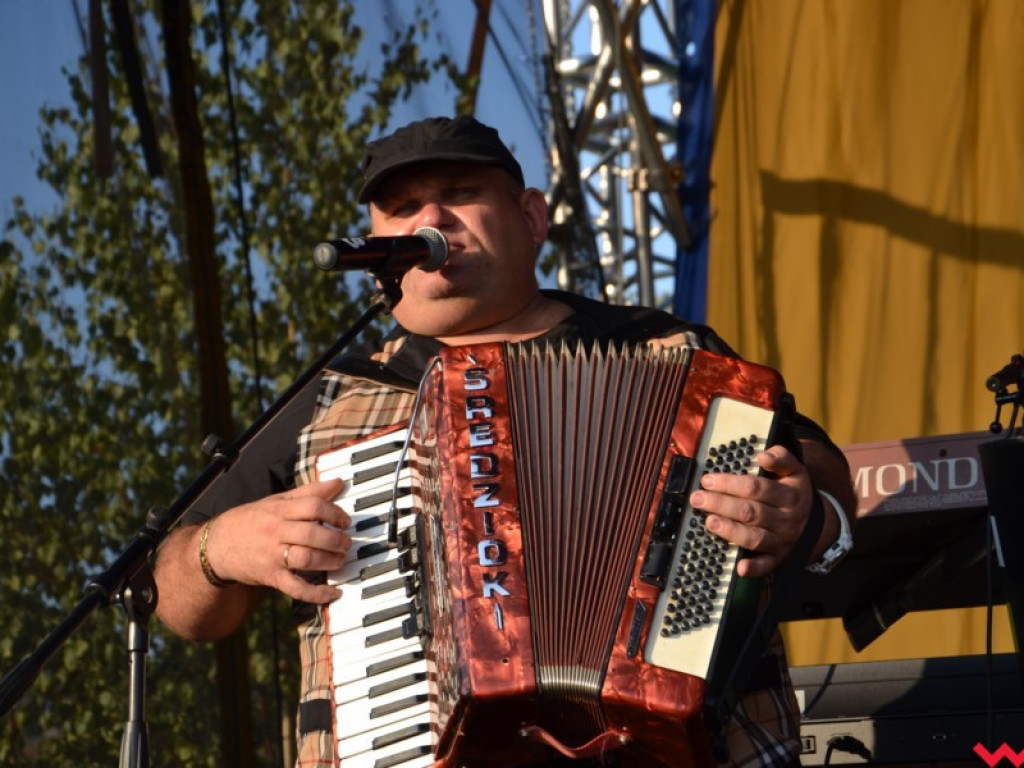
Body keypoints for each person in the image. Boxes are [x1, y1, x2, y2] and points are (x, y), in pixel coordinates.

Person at [153, 115, 856, 767]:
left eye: (461, 193)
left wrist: (806, 511)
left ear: (531, 218)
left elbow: (824, 477)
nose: (430, 218)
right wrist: (222, 548)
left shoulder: (669, 354)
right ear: (375, 253)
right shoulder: (331, 399)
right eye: (402, 208)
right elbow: (173, 595)